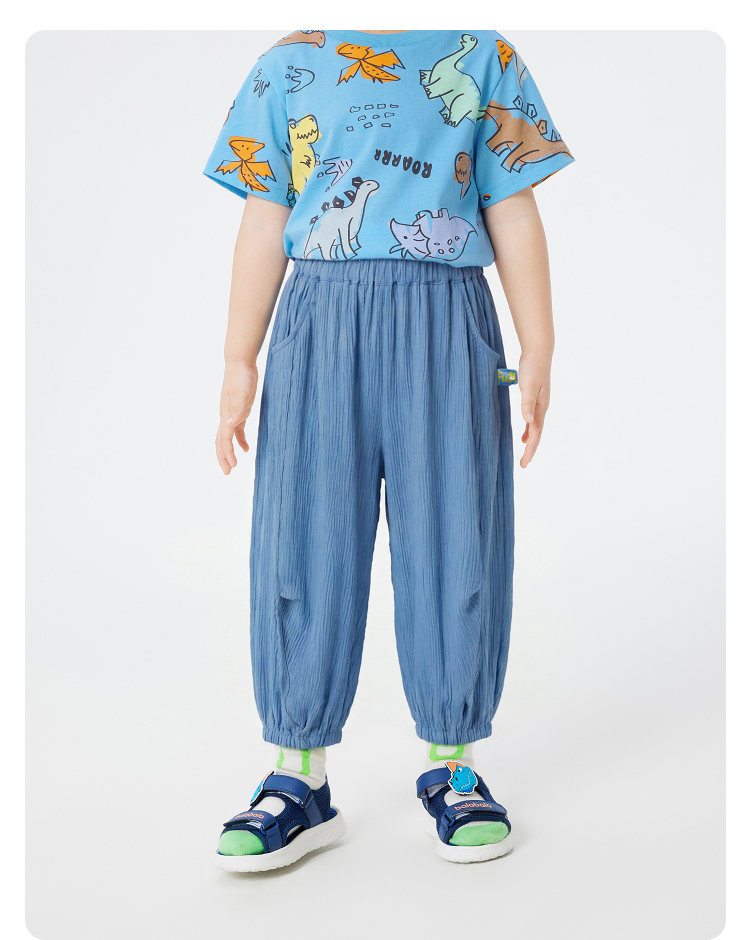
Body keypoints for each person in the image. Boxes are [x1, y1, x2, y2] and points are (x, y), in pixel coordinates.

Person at [203, 29, 574, 871]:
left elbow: (513, 205)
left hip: (447, 323)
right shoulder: (289, 64)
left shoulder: (484, 56)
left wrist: (540, 344)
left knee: (455, 539)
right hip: (318, 323)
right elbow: (265, 214)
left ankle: (453, 764)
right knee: (303, 541)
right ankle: (298, 776)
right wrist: (237, 359)